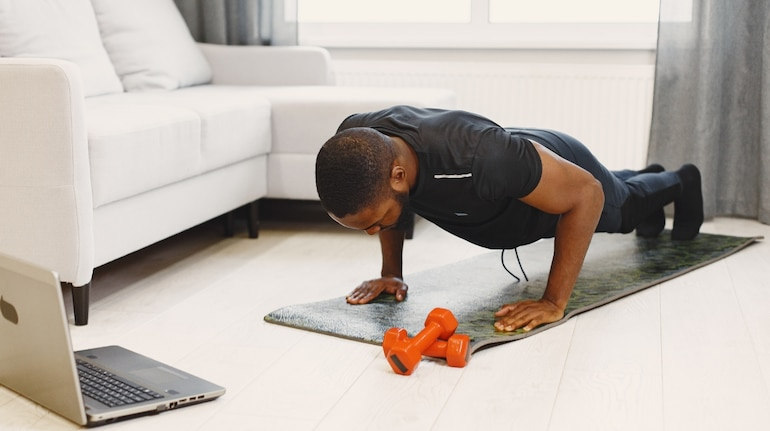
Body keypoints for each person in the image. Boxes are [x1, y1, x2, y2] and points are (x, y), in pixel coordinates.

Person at [315, 106, 703, 333]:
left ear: (398, 176)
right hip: (524, 162)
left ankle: (680, 180)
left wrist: (553, 301)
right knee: (616, 188)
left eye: (376, 221)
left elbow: (587, 194)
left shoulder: (481, 160)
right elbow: (383, 205)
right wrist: (391, 273)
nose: (372, 231)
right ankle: (640, 178)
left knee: (622, 210)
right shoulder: (360, 144)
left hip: (557, 163)